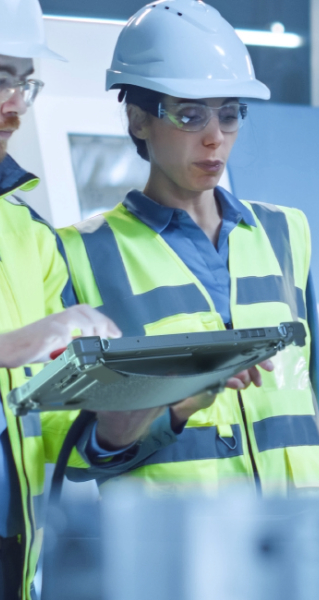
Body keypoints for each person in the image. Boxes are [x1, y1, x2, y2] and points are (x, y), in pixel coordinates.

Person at [0, 1, 182, 598]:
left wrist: (121, 422)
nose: (16, 103)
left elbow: (46, 417)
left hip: (3, 569)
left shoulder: (27, 235)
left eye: (26, 82)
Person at [58, 0, 319, 495]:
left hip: (297, 547)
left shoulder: (287, 232)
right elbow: (77, 453)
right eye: (190, 116)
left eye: (229, 115)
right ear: (138, 120)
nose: (214, 139)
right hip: (177, 554)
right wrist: (175, 407)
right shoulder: (81, 254)